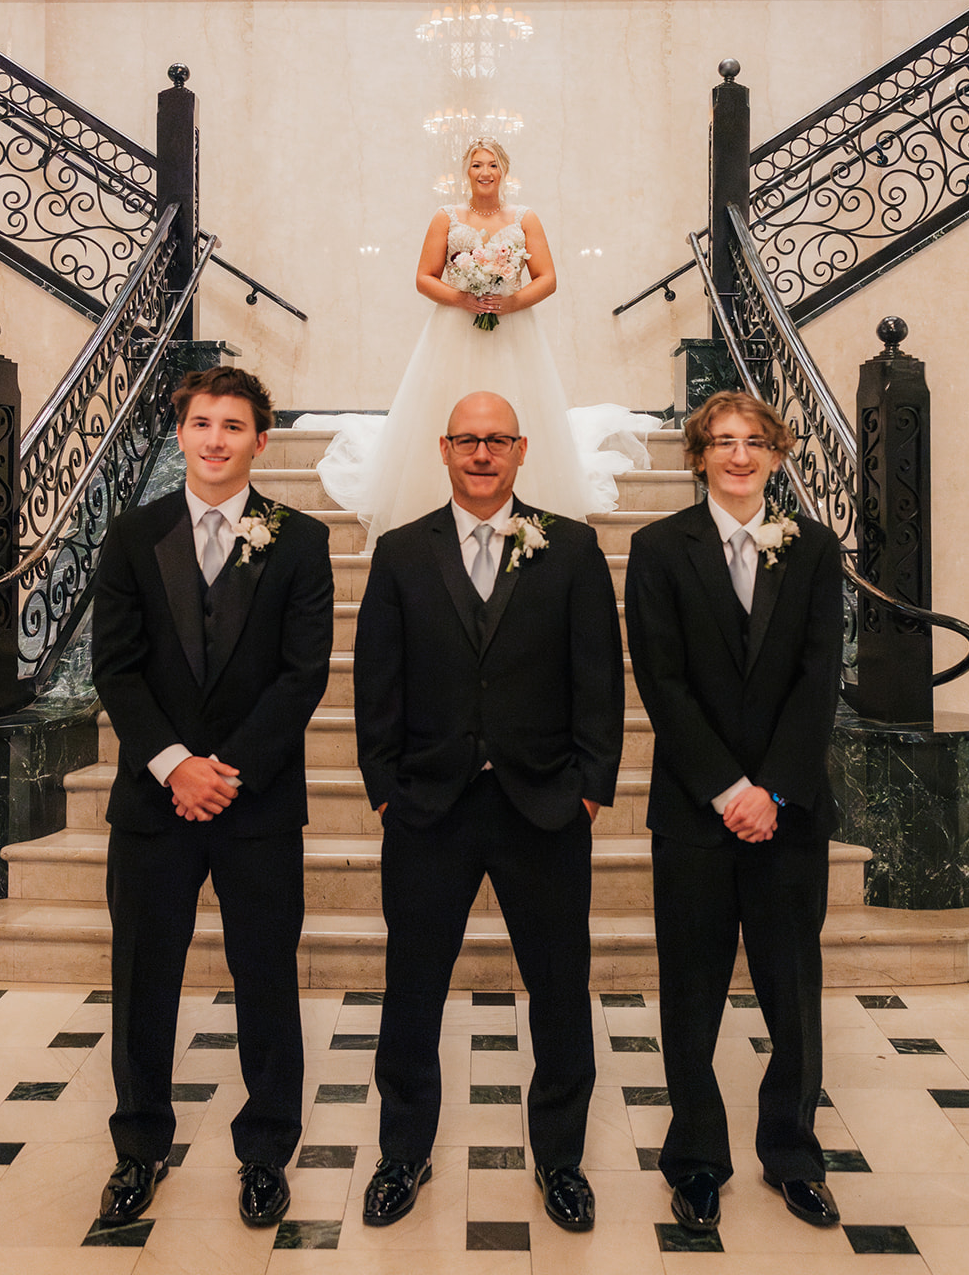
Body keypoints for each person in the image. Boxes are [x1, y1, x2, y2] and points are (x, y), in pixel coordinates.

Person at [355, 390, 624, 1232]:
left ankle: (561, 1160)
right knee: (412, 987)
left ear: (520, 449)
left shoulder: (572, 547)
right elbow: (375, 681)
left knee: (558, 987)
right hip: (429, 805)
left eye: (496, 440)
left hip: (543, 803)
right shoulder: (401, 552)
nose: (481, 453)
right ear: (442, 449)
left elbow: (600, 679)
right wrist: (385, 787)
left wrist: (587, 785)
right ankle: (402, 1152)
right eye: (466, 440)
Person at [92, 366, 333, 1229]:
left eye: (234, 426)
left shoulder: (298, 539)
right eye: (202, 423)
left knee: (265, 977)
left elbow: (304, 673)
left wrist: (226, 770)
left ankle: (267, 1149)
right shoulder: (131, 532)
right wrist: (171, 764)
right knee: (141, 981)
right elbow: (114, 666)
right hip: (153, 803)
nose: (216, 439)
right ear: (182, 433)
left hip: (256, 803)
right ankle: (138, 1147)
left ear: (260, 441)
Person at [624, 390, 843, 1236]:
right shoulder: (656, 548)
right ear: (698, 456)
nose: (740, 455)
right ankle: (695, 1160)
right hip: (693, 809)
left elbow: (817, 677)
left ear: (780, 454)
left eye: (755, 442)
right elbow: (661, 680)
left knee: (792, 992)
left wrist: (774, 790)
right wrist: (726, 789)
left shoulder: (815, 547)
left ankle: (792, 1154)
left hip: (788, 812)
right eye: (722, 442)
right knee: (691, 991)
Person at [311, 137, 656, 550]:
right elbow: (424, 277)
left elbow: (548, 278)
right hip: (454, 328)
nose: (485, 172)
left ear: (504, 170)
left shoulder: (524, 218)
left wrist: (510, 304)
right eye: (477, 165)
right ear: (467, 172)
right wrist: (462, 298)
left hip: (514, 332)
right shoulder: (445, 217)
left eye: (492, 164)